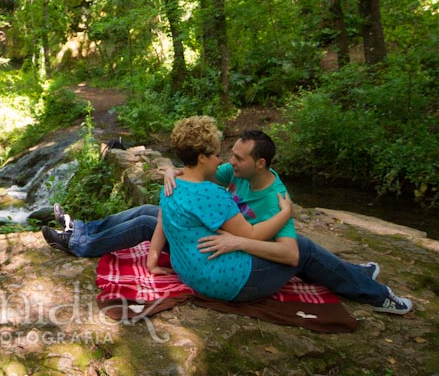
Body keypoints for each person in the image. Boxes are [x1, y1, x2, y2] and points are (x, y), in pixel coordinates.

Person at [156, 122, 413, 313]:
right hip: (222, 281)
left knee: (298, 250)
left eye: (236, 157)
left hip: (193, 271)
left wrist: (238, 242)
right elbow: (285, 252)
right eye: (219, 154)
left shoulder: (273, 195)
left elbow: (286, 254)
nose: (226, 161)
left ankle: (356, 274)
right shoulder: (228, 179)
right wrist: (287, 212)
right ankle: (377, 295)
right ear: (202, 157)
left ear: (259, 163)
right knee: (304, 248)